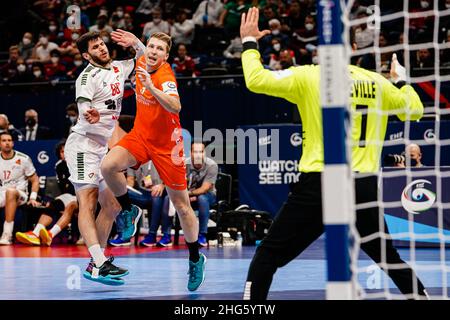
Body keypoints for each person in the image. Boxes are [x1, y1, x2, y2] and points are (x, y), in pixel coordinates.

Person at [240, 7, 428, 300]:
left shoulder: (309, 77)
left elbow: (255, 79)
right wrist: (400, 80)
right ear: (353, 48)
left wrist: (250, 43)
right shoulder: (378, 83)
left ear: (323, 48)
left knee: (268, 254)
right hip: (362, 187)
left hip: (320, 184)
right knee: (388, 258)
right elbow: (415, 110)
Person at [100, 30, 207, 292]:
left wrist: (150, 87)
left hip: (167, 145)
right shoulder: (141, 58)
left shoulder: (165, 75)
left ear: (167, 55)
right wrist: (136, 42)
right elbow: (139, 50)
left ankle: (195, 258)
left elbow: (176, 106)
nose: (154, 51)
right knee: (108, 166)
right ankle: (128, 209)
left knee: (182, 207)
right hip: (140, 136)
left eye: (160, 49)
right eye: (151, 46)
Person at [64, 31, 146, 285]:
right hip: (82, 147)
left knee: (111, 205)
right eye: (95, 47)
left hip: (100, 148)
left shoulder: (120, 67)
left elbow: (145, 60)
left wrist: (136, 43)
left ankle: (95, 265)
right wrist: (90, 113)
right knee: (87, 202)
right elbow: (84, 105)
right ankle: (99, 262)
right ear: (87, 55)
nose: (101, 48)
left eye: (102, 44)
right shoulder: (87, 76)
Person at [15, 140, 78, 246]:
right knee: (53, 205)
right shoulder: (59, 166)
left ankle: (50, 235)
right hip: (69, 196)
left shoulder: (80, 163)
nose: (65, 154)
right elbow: (64, 188)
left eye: (67, 151)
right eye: (62, 152)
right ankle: (35, 234)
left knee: (70, 206)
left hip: (83, 196)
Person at [109, 160, 167, 247]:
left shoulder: (160, 156)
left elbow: (171, 178)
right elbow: (130, 179)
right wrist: (126, 187)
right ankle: (123, 235)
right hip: (142, 193)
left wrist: (162, 185)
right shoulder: (133, 159)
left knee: (156, 197)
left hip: (158, 192)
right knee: (119, 195)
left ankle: (152, 235)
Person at [0, 132, 41, 245]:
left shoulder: (23, 158)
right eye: (4, 141)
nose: (7, 143)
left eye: (9, 140)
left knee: (11, 192)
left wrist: (33, 197)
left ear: (13, 143)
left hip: (20, 195)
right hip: (2, 194)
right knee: (7, 192)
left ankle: (7, 235)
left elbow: (35, 180)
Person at [185, 142, 218, 247]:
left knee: (202, 199)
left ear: (205, 153)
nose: (198, 154)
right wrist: (184, 196)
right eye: (195, 151)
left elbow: (204, 189)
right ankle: (165, 235)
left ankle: (202, 235)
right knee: (168, 198)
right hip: (188, 195)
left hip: (208, 196)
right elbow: (179, 183)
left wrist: (189, 194)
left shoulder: (211, 165)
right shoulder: (184, 164)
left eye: (201, 151)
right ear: (190, 153)